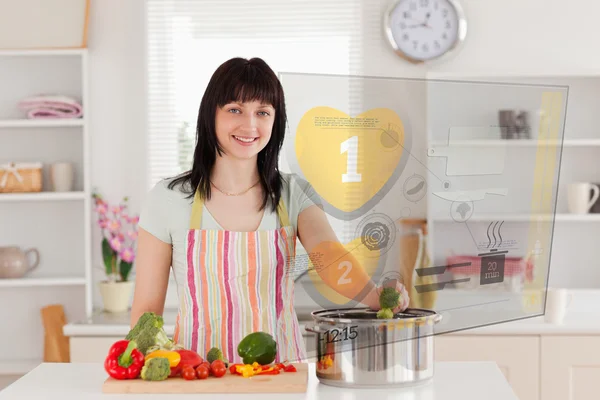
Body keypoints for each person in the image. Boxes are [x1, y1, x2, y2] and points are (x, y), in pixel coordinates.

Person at [131, 57, 410, 363]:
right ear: (210, 115)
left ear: (275, 121)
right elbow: (146, 310)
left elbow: (329, 256)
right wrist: (145, 376)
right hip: (198, 375)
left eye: (262, 112)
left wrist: (374, 296)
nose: (250, 125)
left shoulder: (293, 193)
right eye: (235, 109)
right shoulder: (168, 198)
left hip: (279, 374)